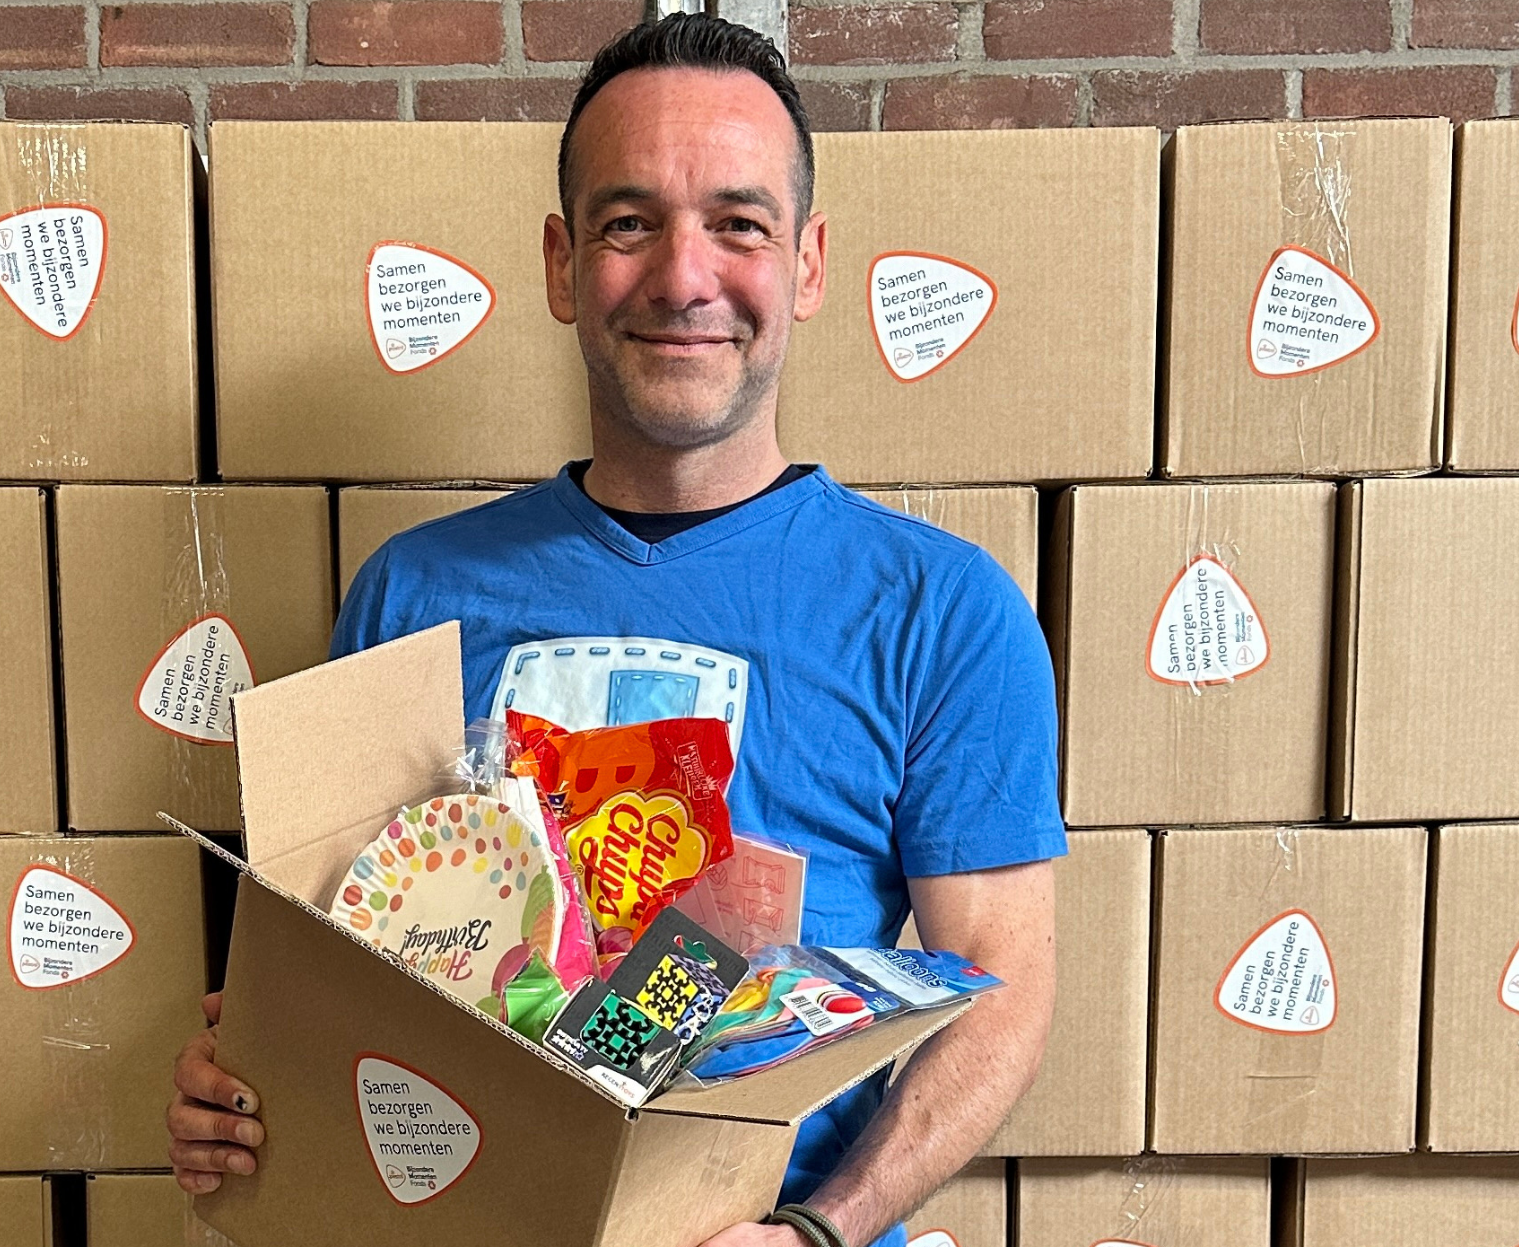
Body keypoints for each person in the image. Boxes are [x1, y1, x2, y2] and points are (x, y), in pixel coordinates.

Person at [167, 14, 1064, 1247]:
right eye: (629, 222)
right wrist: (241, 1094)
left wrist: (817, 1230)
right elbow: (338, 979)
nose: (682, 277)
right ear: (560, 263)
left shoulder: (943, 610)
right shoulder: (409, 593)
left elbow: (999, 997)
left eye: (737, 224)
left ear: (806, 264)